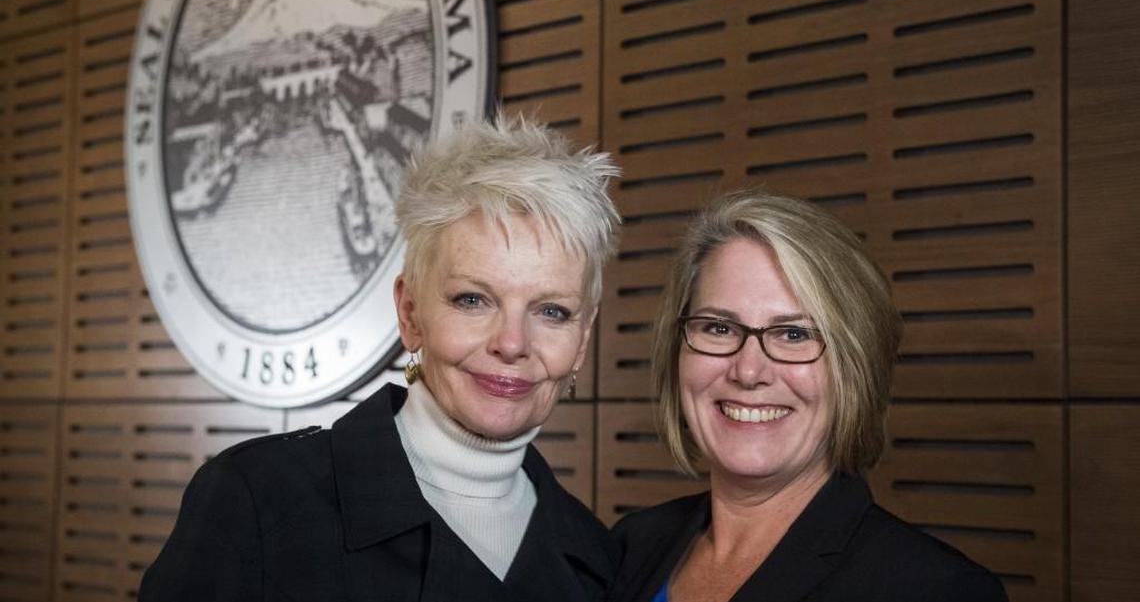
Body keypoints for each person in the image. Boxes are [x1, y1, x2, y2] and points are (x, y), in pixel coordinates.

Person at [139, 116, 622, 601]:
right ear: (410, 313)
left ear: (581, 340)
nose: (512, 343)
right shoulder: (258, 501)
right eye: (473, 300)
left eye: (552, 311)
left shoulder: (601, 558)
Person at [607, 190, 1007, 602]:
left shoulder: (937, 590)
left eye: (794, 334)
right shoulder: (628, 548)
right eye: (718, 328)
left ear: (855, 365)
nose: (748, 371)